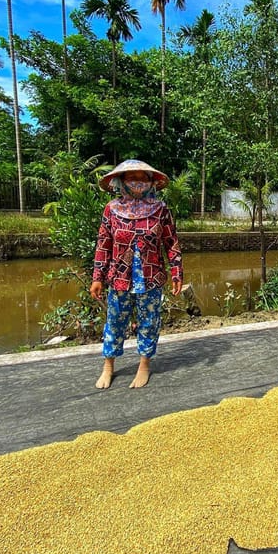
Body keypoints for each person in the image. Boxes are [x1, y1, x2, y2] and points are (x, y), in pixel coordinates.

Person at [90, 159, 183, 389]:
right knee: (114, 321)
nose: (138, 182)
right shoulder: (111, 210)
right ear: (122, 181)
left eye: (143, 178)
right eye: (133, 177)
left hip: (150, 278)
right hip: (119, 277)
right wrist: (97, 277)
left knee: (149, 321)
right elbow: (103, 244)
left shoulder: (160, 210)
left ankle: (144, 365)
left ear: (151, 182)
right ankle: (108, 366)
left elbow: (171, 242)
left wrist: (177, 272)